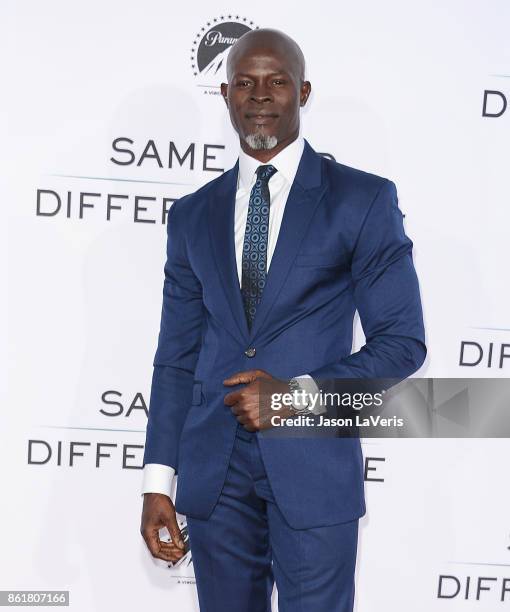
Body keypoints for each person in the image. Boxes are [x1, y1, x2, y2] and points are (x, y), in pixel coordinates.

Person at [140, 27, 426, 612]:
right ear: (225, 95)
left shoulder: (360, 199)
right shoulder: (193, 215)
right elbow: (175, 358)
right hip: (214, 476)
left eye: (277, 81)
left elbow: (401, 342)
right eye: (245, 82)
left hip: (313, 465)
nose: (261, 94)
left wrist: (293, 398)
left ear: (303, 92)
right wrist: (156, 482)